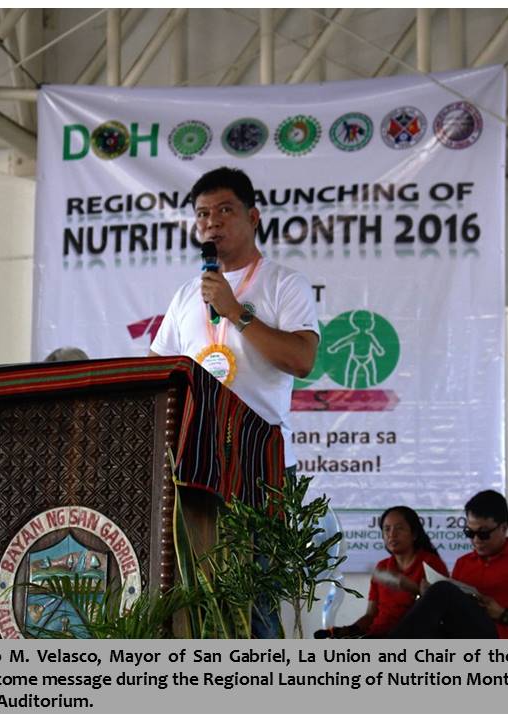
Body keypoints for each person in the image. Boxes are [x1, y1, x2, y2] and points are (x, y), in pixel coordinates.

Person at [149, 167, 320, 637]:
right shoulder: (186, 295)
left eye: (225, 210)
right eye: (202, 214)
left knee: (252, 598)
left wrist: (236, 313)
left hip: (255, 460)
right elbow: (154, 373)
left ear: (254, 217)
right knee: (190, 593)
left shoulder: (286, 285)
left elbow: (302, 359)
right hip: (190, 463)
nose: (212, 223)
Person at [388, 490, 508, 639]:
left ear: (503, 527)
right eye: (470, 533)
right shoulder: (463, 562)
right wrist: (427, 596)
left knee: (444, 589)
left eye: (483, 534)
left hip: (495, 635)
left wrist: (503, 613)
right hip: (459, 633)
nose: (476, 540)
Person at [317, 506, 448, 638]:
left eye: (399, 528)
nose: (392, 534)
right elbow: (370, 616)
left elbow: (441, 612)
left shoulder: (431, 564)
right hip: (378, 635)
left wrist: (410, 587)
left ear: (414, 534)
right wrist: (348, 630)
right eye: (387, 529)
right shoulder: (382, 567)